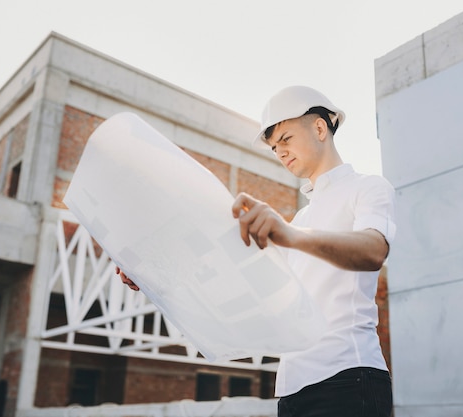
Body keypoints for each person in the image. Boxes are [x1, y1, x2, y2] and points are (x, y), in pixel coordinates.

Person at [118, 86, 396, 417]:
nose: (281, 152)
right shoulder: (302, 218)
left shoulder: (368, 188)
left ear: (320, 128)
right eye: (275, 147)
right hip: (293, 388)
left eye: (287, 139)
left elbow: (374, 250)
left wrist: (289, 234)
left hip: (349, 377)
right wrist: (154, 275)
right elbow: (245, 285)